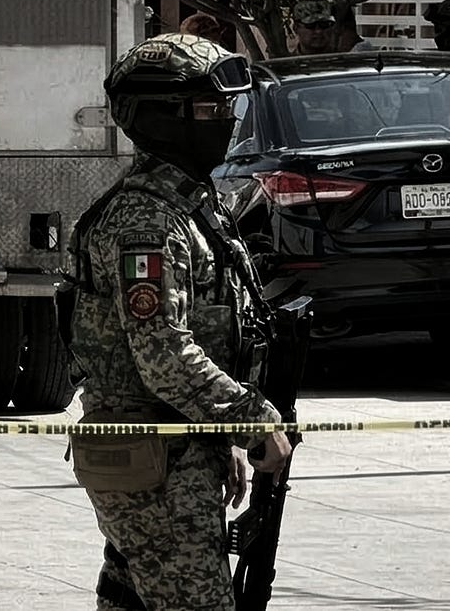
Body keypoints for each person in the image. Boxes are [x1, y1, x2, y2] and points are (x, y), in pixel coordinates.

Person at [67, 33, 292, 611]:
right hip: (154, 461)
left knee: (132, 597)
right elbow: (162, 351)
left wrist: (221, 438)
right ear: (165, 119)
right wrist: (248, 420)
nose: (227, 122)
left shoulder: (187, 205)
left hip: (175, 450)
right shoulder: (147, 221)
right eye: (211, 109)